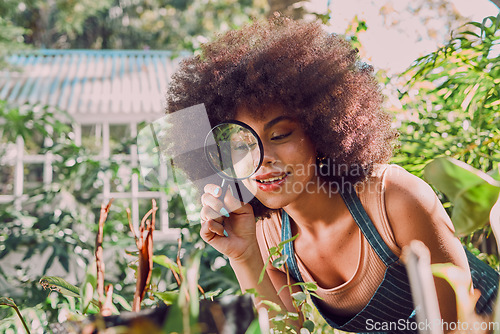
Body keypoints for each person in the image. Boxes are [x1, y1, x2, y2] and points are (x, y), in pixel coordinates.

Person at [165, 15, 498, 333]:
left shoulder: (393, 197)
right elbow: (281, 331)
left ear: (323, 132)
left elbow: (456, 328)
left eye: (280, 135)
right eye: (241, 145)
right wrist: (244, 254)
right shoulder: (266, 234)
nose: (262, 159)